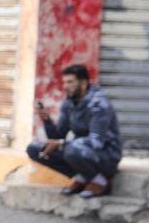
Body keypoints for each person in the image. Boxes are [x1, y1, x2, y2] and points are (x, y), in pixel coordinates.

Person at [26, 64, 122, 198]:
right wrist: (47, 121)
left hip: (106, 156)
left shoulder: (99, 103)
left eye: (70, 82)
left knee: (71, 149)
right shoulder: (69, 103)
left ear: (83, 83)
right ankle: (82, 177)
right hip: (79, 152)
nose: (65, 86)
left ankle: (101, 182)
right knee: (35, 149)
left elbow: (96, 142)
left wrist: (61, 143)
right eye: (64, 82)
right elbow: (57, 136)